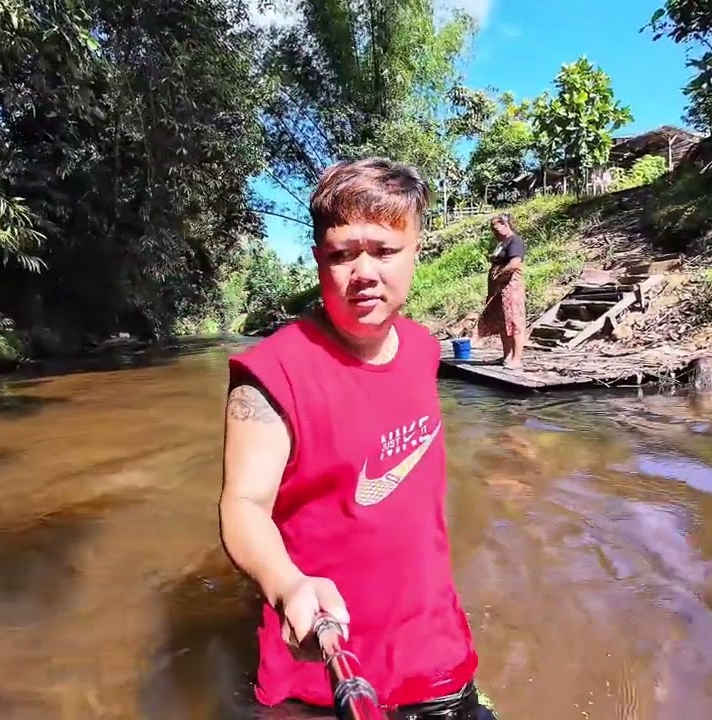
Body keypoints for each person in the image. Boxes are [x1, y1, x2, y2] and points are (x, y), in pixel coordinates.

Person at [219, 157, 498, 719]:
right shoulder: (271, 374)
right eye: (343, 254)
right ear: (320, 259)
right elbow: (243, 504)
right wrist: (286, 585)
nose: (364, 272)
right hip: (325, 664)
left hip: (434, 652)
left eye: (385, 251)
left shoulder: (423, 348)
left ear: (417, 249)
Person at [475, 215, 526, 369]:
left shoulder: (514, 241)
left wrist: (499, 274)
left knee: (514, 320)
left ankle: (516, 359)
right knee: (503, 322)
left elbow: (515, 263)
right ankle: (506, 356)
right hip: (498, 289)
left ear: (505, 225)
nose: (494, 233)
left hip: (510, 287)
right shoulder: (501, 244)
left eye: (496, 229)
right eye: (492, 230)